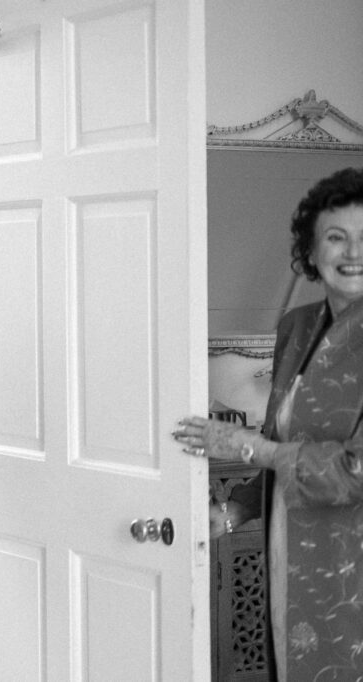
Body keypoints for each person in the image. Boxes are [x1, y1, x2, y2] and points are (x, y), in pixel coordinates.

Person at [173, 167, 363, 681]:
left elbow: (353, 471)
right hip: (290, 558)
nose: (352, 254)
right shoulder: (297, 327)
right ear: (311, 249)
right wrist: (233, 513)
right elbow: (283, 445)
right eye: (336, 237)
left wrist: (245, 445)